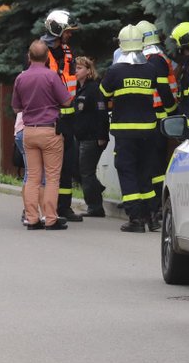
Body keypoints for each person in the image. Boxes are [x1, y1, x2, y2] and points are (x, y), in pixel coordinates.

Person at [101, 25, 176, 233]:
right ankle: (152, 217)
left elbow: (103, 94)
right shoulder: (150, 69)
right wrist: (172, 112)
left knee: (127, 170)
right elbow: (166, 96)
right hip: (148, 131)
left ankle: (135, 218)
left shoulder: (115, 71)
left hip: (124, 133)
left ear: (121, 45)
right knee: (146, 172)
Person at [12, 39, 73, 231]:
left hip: (29, 131)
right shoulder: (51, 76)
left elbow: (16, 106)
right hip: (49, 130)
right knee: (53, 177)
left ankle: (32, 219)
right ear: (47, 57)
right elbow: (66, 101)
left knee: (33, 177)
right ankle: (51, 219)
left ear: (29, 57)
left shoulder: (21, 78)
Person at [42, 9, 83, 222]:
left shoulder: (67, 52)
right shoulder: (40, 51)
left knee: (68, 163)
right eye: (67, 31)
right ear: (57, 30)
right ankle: (45, 208)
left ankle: (64, 207)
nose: (70, 35)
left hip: (68, 119)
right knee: (48, 166)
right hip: (49, 119)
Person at [136, 19, 178, 223]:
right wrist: (173, 111)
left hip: (156, 117)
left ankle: (157, 207)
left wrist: (171, 112)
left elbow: (163, 91)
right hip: (158, 116)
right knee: (155, 164)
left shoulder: (149, 59)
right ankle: (155, 206)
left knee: (156, 165)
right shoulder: (158, 58)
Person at [74, 56, 109, 217]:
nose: (76, 70)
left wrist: (102, 135)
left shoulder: (94, 88)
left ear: (88, 71)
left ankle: (95, 207)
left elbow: (101, 112)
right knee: (81, 170)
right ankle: (97, 189)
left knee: (86, 172)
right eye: (76, 67)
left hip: (93, 137)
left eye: (80, 68)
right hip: (81, 136)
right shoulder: (79, 88)